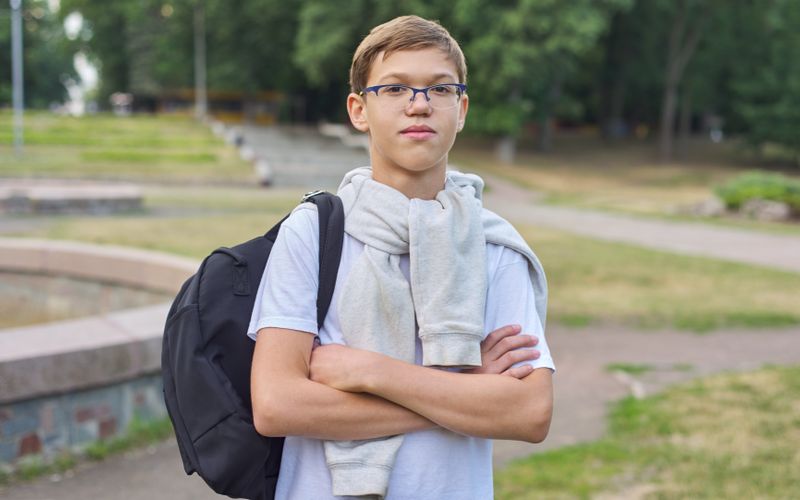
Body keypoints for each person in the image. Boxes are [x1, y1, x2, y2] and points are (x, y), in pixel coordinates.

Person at [247, 15, 554, 500]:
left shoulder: (494, 245)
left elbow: (529, 413)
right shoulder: (314, 231)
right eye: (394, 88)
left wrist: (368, 373)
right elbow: (276, 404)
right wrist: (462, 394)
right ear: (359, 110)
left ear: (461, 109)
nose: (419, 104)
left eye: (440, 89)